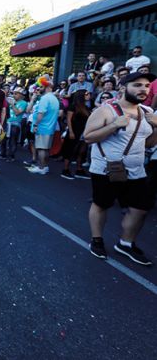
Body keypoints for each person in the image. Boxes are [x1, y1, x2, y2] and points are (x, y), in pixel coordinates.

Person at [84, 72, 157, 266]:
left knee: (140, 209)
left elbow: (148, 144)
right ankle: (97, 240)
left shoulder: (146, 111)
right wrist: (114, 125)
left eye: (147, 86)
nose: (143, 89)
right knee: (102, 204)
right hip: (107, 169)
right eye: (137, 85)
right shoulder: (107, 110)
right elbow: (88, 137)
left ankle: (126, 243)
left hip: (136, 170)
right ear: (124, 88)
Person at [27, 77, 59, 175]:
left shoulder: (45, 98)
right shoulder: (54, 98)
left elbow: (41, 114)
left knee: (41, 148)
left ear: (47, 87)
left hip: (43, 127)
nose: (39, 88)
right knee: (46, 149)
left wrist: (36, 124)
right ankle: (44, 166)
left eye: (41, 86)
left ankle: (41, 167)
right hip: (50, 128)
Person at [60, 90, 91, 179]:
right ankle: (65, 170)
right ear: (81, 95)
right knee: (70, 150)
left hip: (83, 132)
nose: (89, 95)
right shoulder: (73, 106)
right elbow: (69, 119)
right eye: (87, 94)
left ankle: (79, 169)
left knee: (81, 152)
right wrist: (71, 132)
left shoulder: (85, 107)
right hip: (74, 131)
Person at [5, 87, 28, 161]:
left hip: (15, 124)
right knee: (3, 140)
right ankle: (3, 154)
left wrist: (12, 104)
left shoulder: (24, 103)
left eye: (16, 94)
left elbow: (17, 113)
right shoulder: (12, 100)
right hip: (7, 122)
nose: (14, 95)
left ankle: (11, 156)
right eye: (13, 93)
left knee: (12, 140)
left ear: (21, 95)